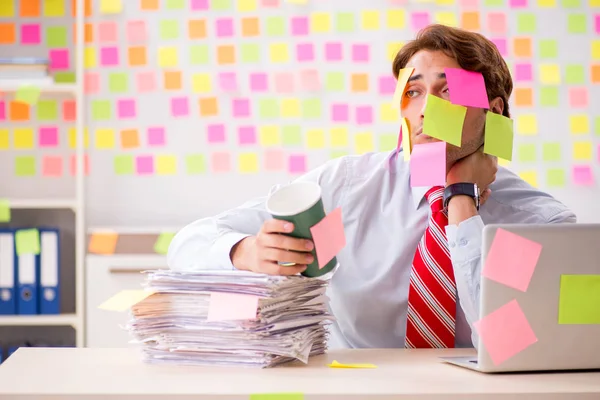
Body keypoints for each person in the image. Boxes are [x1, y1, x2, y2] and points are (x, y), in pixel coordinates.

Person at [167, 24, 576, 350]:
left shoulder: (538, 223)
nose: (426, 109)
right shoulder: (348, 188)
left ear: (494, 110)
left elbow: (505, 344)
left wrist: (461, 199)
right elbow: (188, 244)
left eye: (448, 90)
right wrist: (246, 252)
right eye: (413, 91)